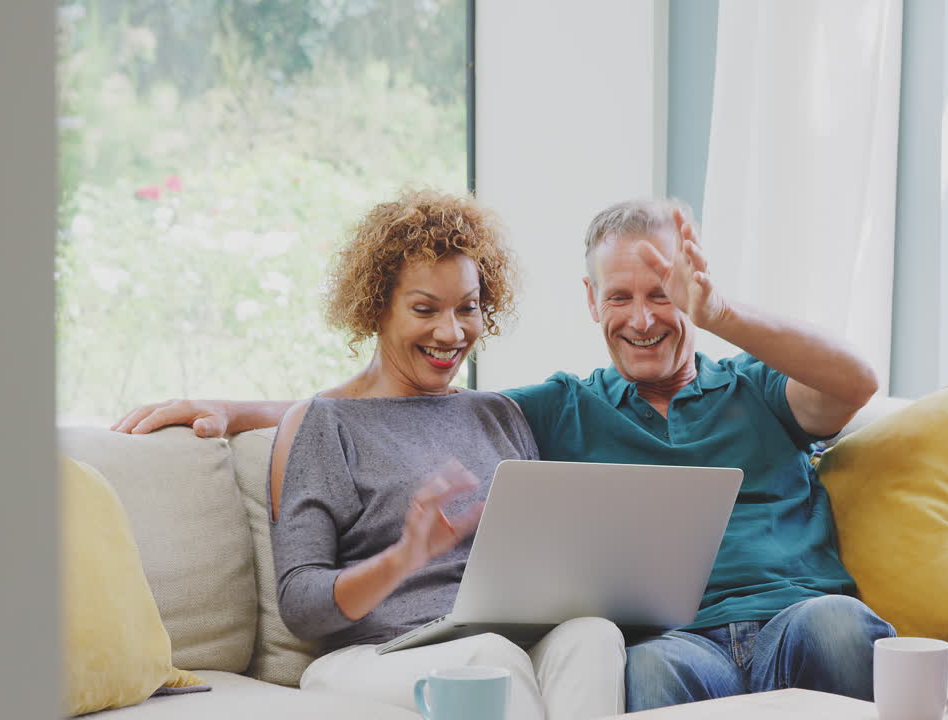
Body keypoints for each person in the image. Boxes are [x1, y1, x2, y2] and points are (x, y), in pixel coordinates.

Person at [115, 197, 895, 712]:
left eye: (664, 296)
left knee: (819, 627)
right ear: (590, 303)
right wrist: (235, 408)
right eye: (620, 296)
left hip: (792, 613)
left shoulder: (748, 391)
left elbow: (857, 380)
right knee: (641, 665)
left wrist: (720, 311)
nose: (643, 318)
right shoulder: (559, 408)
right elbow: (377, 418)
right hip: (657, 646)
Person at [176, 189, 626, 720]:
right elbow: (301, 605)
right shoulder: (324, 423)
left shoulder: (499, 415)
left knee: (592, 636)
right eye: (424, 309)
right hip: (368, 658)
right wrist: (403, 558)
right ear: (377, 307)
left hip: (494, 638)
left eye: (468, 308)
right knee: (492, 659)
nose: (451, 332)